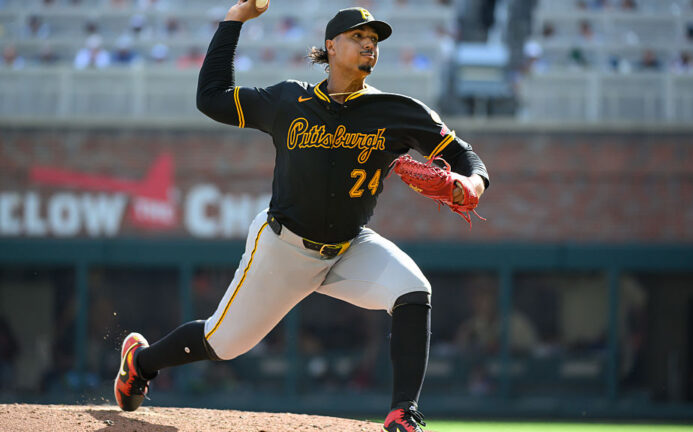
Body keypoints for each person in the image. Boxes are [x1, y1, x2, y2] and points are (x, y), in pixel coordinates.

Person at [113, 2, 489, 432]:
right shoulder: (289, 100)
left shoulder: (398, 111)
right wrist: (234, 21)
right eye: (358, 37)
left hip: (349, 246)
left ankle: (403, 412)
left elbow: (466, 156)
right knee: (223, 342)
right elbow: (211, 98)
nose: (369, 44)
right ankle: (140, 362)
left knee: (413, 290)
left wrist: (473, 183)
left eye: (374, 39)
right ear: (331, 47)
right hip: (283, 247)